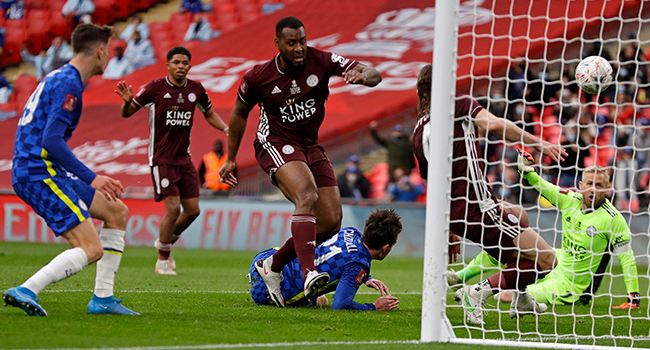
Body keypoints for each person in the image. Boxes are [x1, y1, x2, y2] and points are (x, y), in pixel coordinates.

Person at [218, 16, 382, 307]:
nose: (299, 48)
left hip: (309, 145)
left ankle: (272, 266)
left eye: (302, 42)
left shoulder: (321, 61)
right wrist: (231, 159)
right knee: (307, 196)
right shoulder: (258, 76)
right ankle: (309, 273)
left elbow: (372, 72)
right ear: (278, 44)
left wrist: (363, 77)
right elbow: (239, 113)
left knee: (331, 221)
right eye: (292, 43)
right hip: (275, 142)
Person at [412, 63, 567, 324]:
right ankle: (478, 292)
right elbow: (494, 124)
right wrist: (538, 141)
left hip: (461, 211)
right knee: (548, 260)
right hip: (479, 209)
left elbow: (430, 182)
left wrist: (447, 225)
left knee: (521, 215)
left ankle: (521, 298)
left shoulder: (417, 132)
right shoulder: (457, 105)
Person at [3, 23, 138, 316]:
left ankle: (103, 299)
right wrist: (93, 177)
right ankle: (26, 289)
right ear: (100, 52)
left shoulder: (60, 76)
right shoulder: (69, 83)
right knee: (92, 249)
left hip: (43, 169)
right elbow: (51, 140)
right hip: (38, 172)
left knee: (117, 212)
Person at [453, 160, 641, 310]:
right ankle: (460, 276)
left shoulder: (613, 219)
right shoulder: (570, 200)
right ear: (581, 185)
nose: (593, 189)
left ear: (607, 189)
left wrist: (633, 296)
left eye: (599, 185)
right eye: (590, 183)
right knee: (511, 242)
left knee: (504, 296)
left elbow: (627, 258)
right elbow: (541, 184)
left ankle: (485, 291)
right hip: (558, 260)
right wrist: (526, 169)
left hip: (571, 285)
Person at [115, 46, 228, 275]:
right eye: (176, 62)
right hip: (161, 159)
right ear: (167, 65)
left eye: (184, 63)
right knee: (174, 208)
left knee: (193, 211)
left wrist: (226, 128)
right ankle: (162, 261)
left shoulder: (196, 89)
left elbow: (208, 113)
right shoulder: (155, 88)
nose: (180, 66)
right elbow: (126, 113)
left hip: (183, 159)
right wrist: (127, 102)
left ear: (190, 66)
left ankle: (165, 241)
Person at [249, 208, 401, 311]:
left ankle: (260, 272)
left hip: (266, 258)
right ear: (385, 247)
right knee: (323, 301)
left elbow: (341, 256)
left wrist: (366, 278)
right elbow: (340, 305)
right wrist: (374, 307)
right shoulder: (358, 264)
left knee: (320, 294)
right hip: (266, 292)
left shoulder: (350, 232)